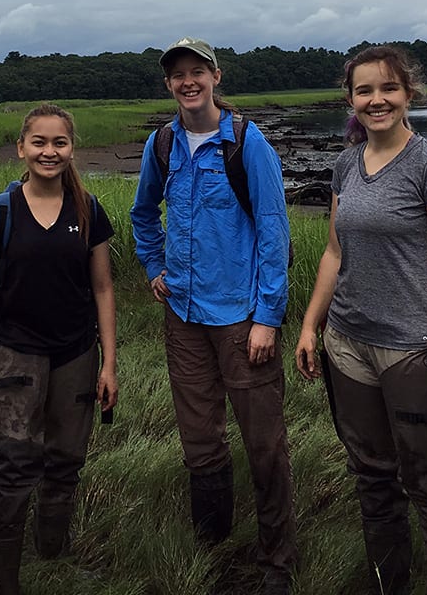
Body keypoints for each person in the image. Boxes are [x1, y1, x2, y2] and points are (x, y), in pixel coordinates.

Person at [293, 45, 427, 594]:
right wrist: (310, 325)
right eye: (364, 90)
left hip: (414, 348)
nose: (377, 100)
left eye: (388, 89)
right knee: (371, 476)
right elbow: (333, 252)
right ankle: (388, 581)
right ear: (349, 99)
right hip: (348, 343)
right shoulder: (346, 164)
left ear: (408, 94)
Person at [130, 37, 297, 594]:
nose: (187, 81)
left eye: (196, 71)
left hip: (241, 318)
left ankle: (277, 559)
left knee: (264, 442)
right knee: (199, 437)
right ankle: (212, 541)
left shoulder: (247, 142)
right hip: (182, 314)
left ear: (216, 76)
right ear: (168, 84)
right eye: (178, 74)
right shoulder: (161, 144)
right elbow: (142, 214)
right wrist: (154, 264)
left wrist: (268, 318)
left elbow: (274, 232)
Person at [0, 103, 119, 595]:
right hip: (14, 355)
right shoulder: (0, 211)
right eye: (39, 143)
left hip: (76, 353)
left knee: (65, 460)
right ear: (21, 148)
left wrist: (109, 363)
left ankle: (53, 558)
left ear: (73, 148)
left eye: (59, 143)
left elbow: (103, 290)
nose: (49, 152)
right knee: (11, 463)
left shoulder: (89, 209)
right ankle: (4, 578)